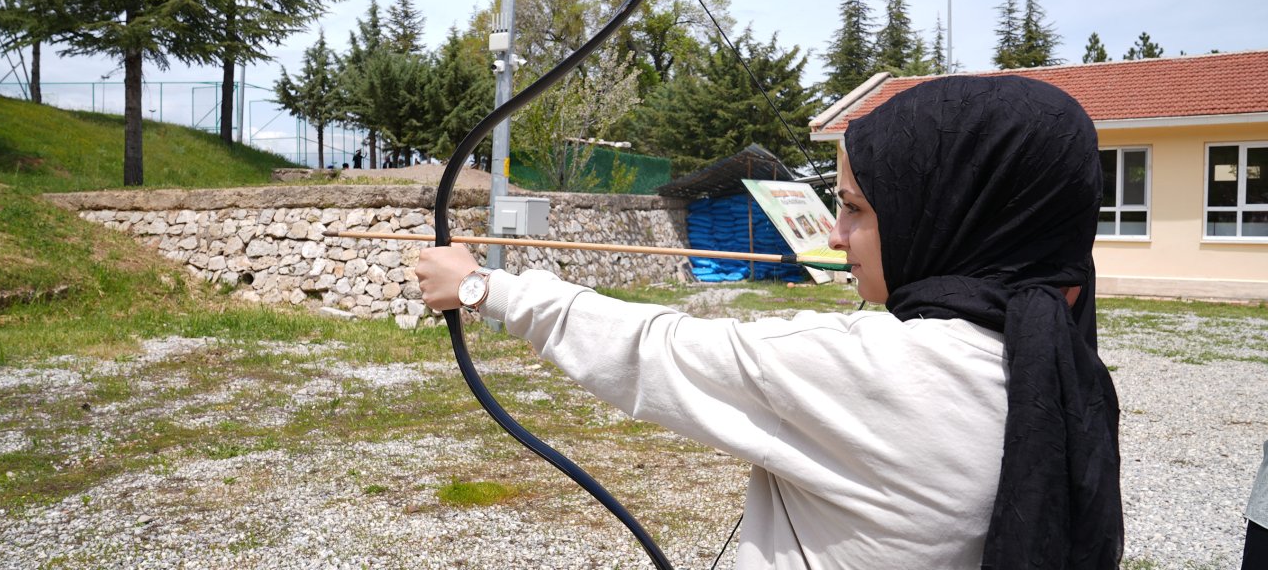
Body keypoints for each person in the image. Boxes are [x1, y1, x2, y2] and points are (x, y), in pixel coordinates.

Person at [415, 76, 1124, 569]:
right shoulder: (1053, 357)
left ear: (948, 216)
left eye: (857, 208)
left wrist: (479, 287)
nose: (837, 236)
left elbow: (655, 350)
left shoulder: (880, 374)